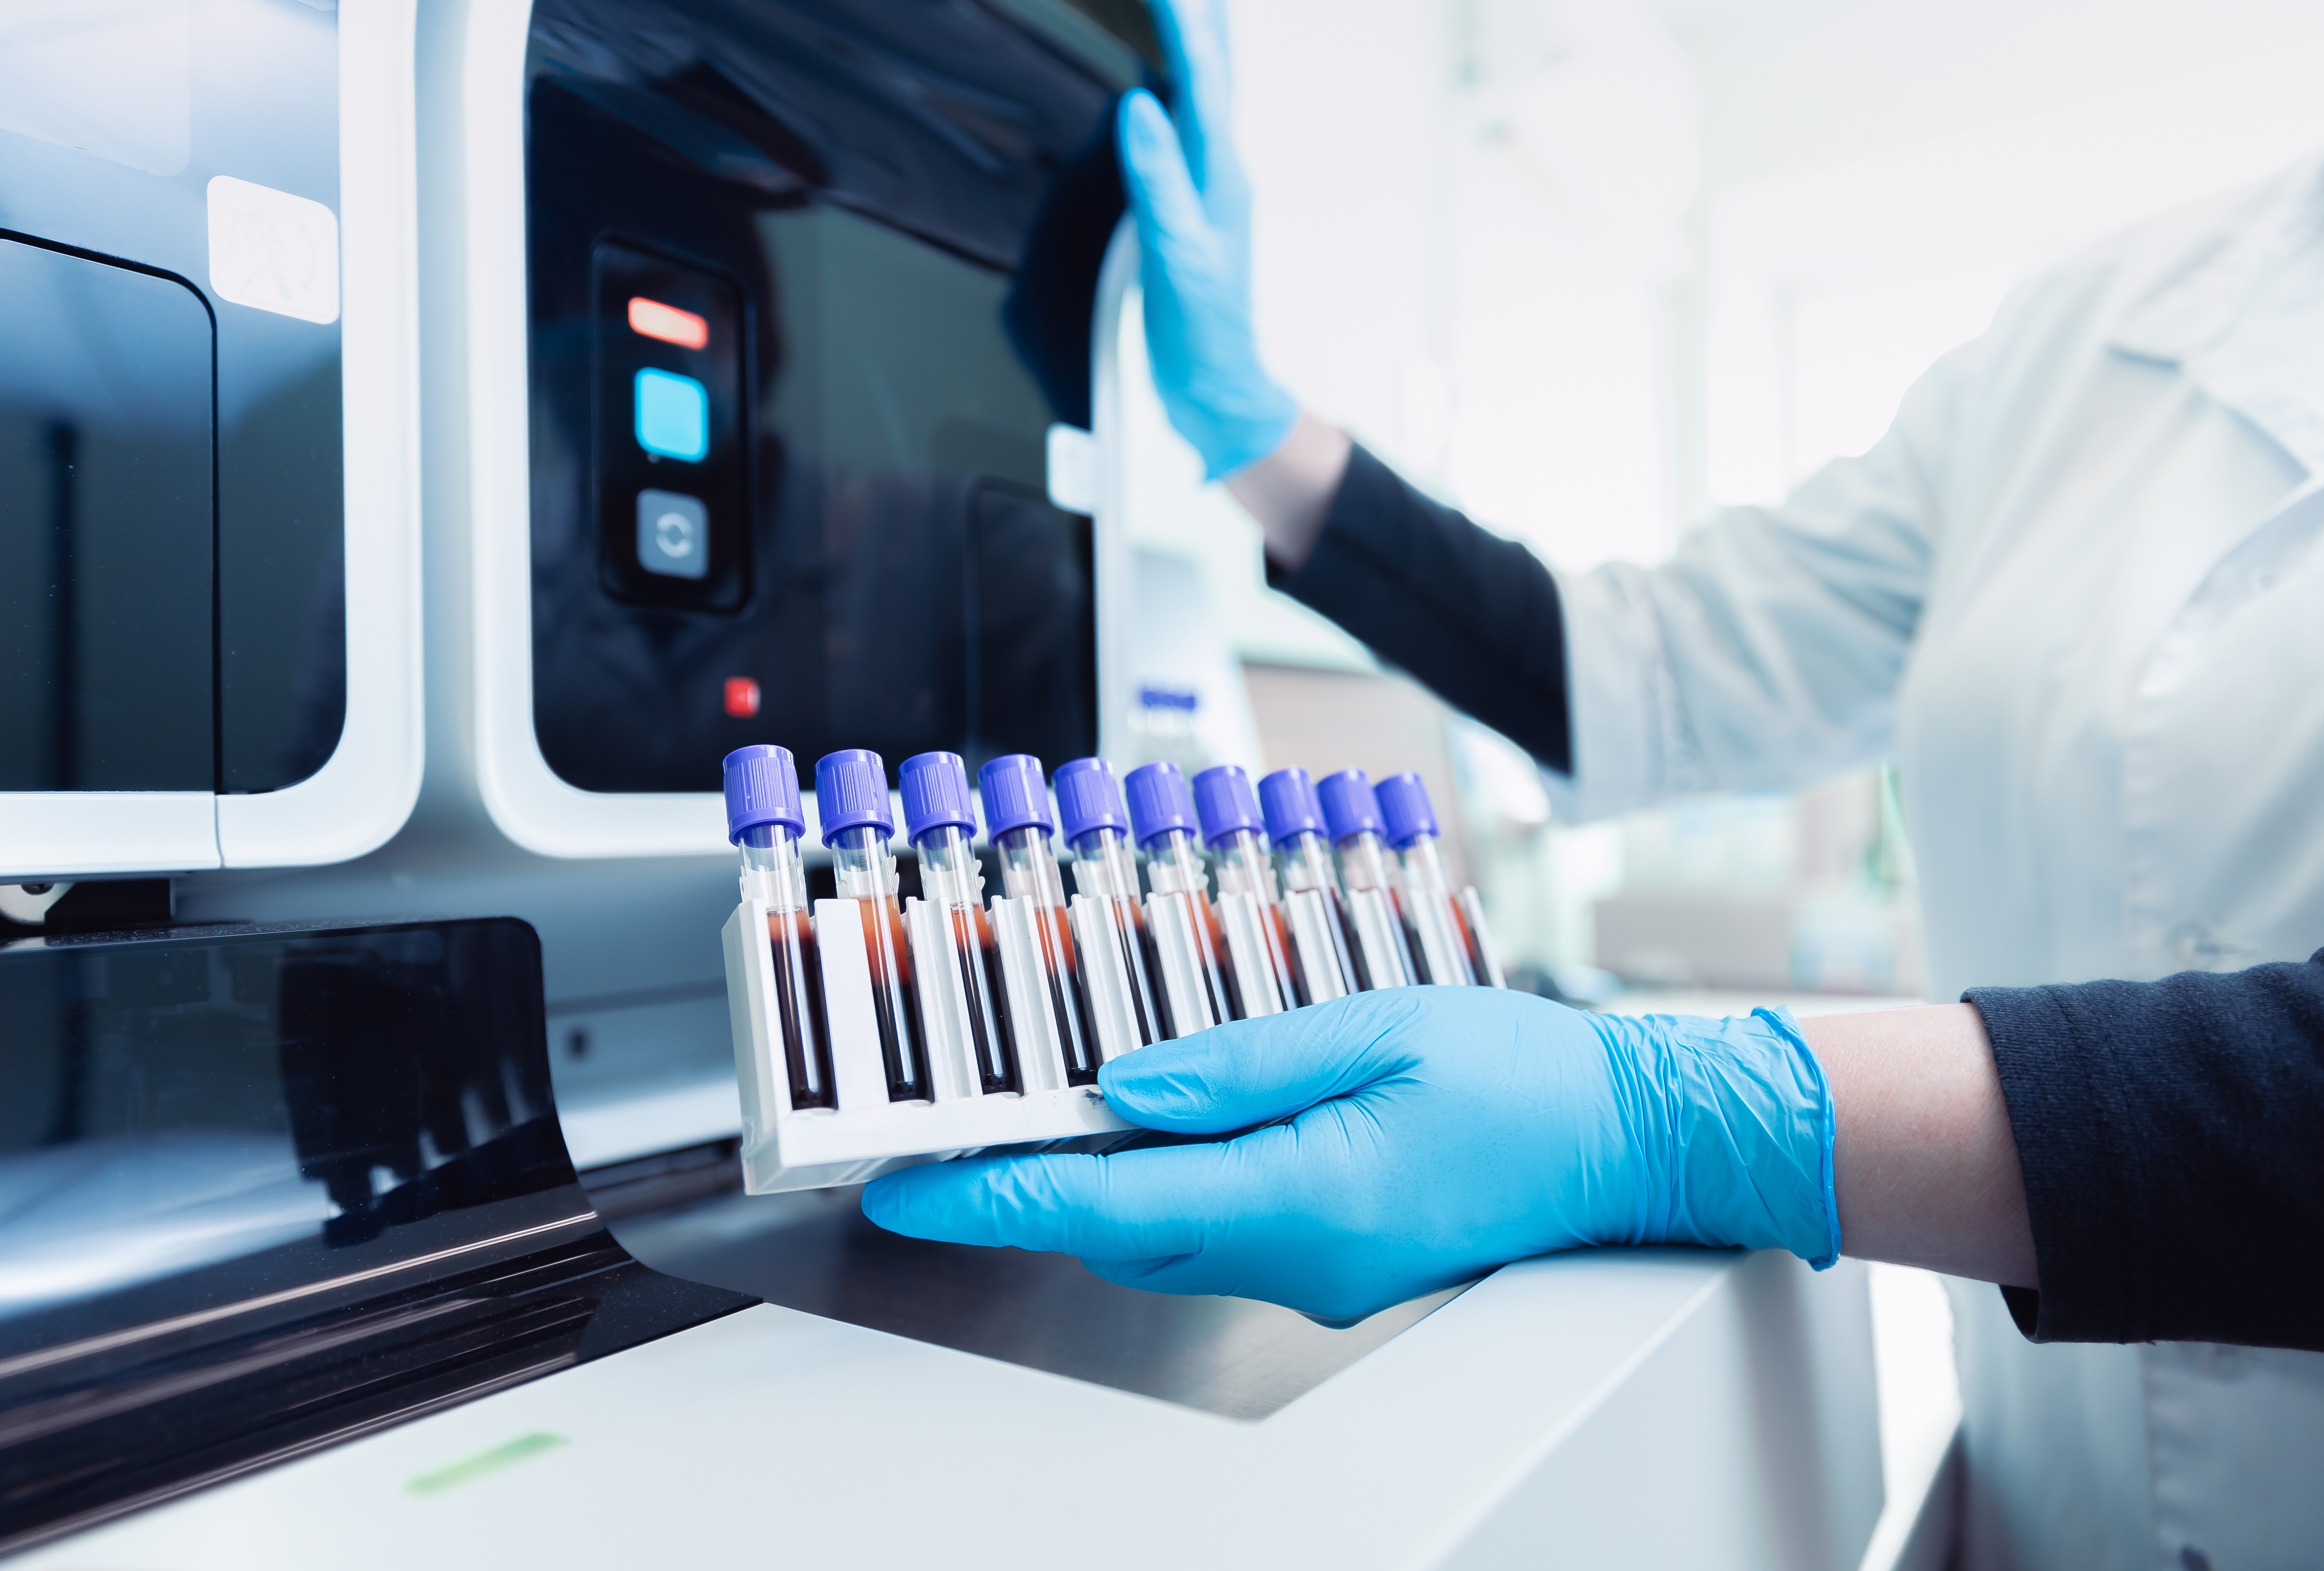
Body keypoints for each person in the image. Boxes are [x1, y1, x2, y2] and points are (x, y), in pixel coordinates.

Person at [866, 3, 2324, 1567]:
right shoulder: (2095, 335)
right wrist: (1257, 435)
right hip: (2051, 1502)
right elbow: (1654, 667)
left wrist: (1689, 1124)